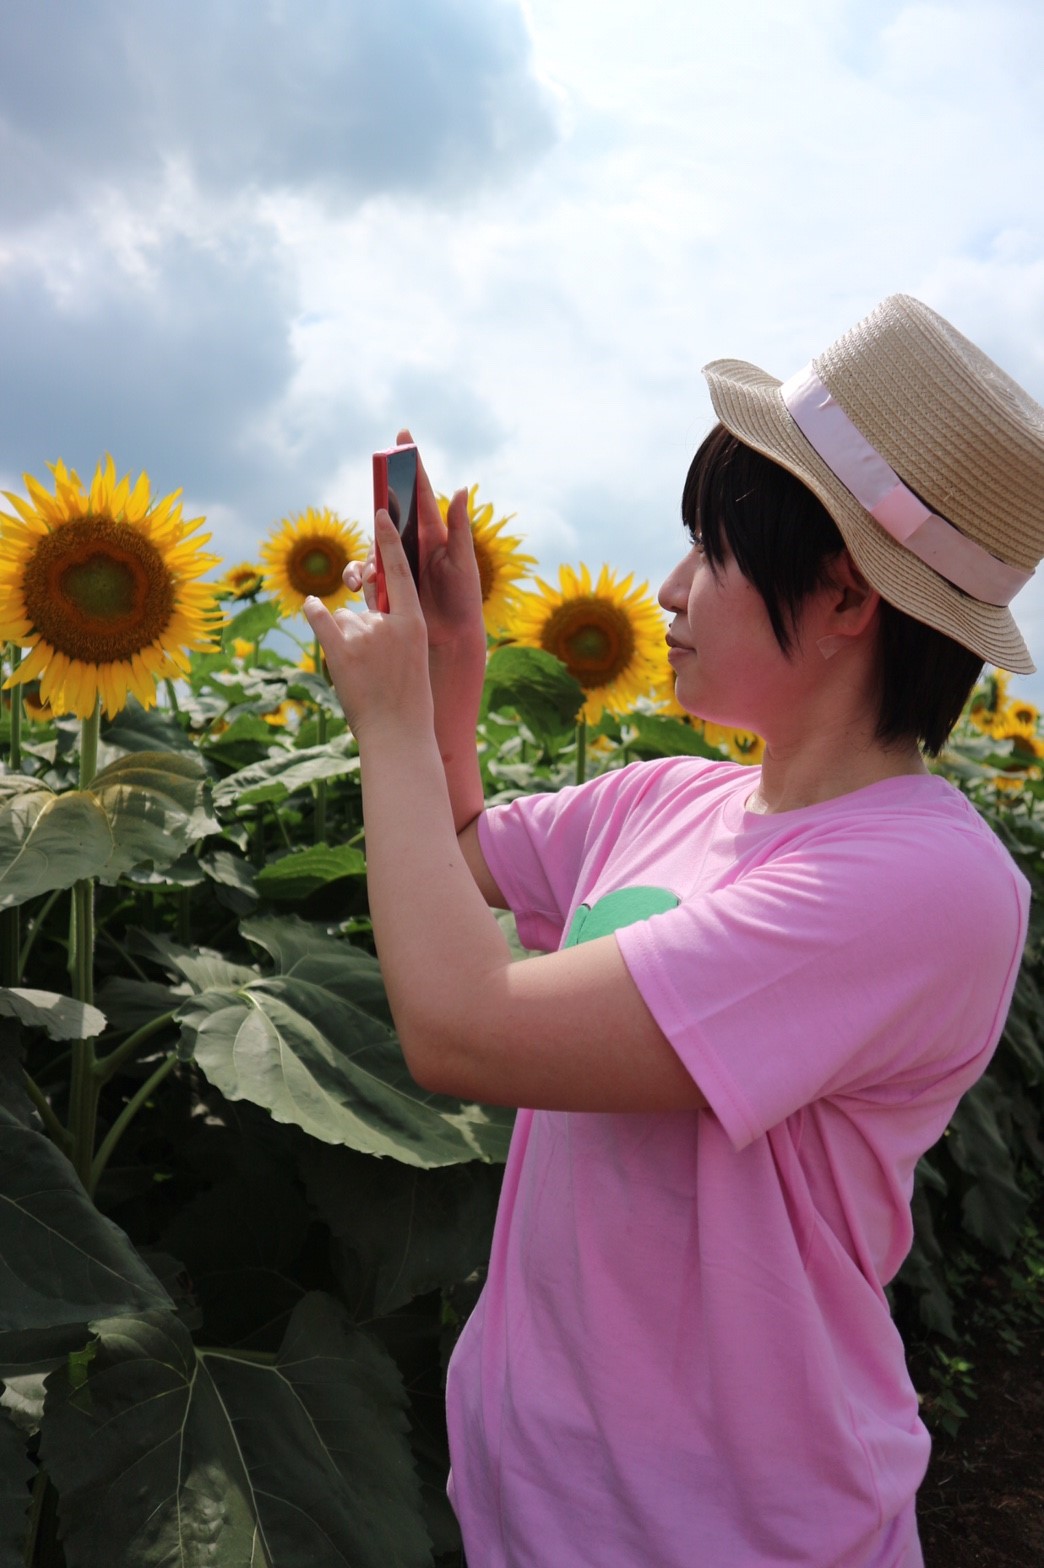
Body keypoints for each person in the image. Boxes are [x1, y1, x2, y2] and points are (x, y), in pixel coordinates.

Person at [304, 294, 1044, 1567]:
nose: (669, 588)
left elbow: (460, 1027)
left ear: (846, 595)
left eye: (712, 549)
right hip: (536, 1484)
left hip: (727, 1522)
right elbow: (465, 851)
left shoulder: (925, 882)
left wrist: (386, 720)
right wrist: (455, 673)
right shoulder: (668, 796)